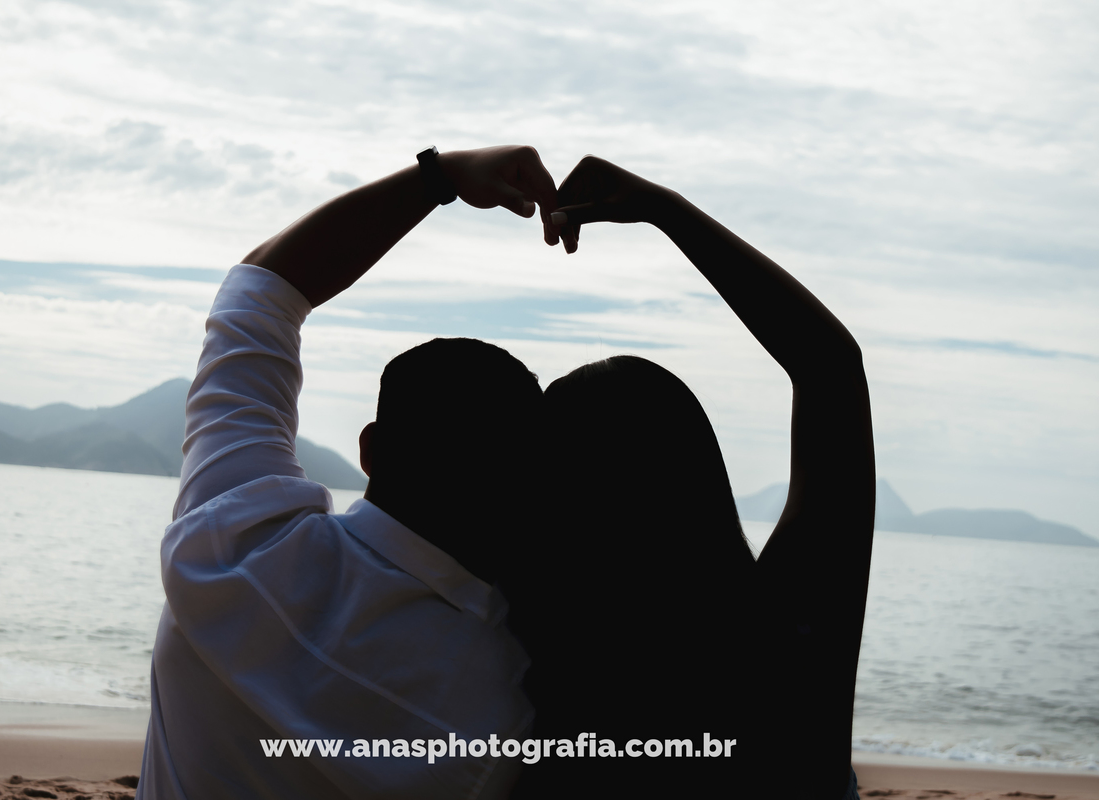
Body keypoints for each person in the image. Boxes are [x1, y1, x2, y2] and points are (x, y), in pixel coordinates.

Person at [135, 145, 564, 800]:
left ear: (369, 450)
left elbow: (261, 294)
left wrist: (441, 176)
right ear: (528, 485)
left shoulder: (233, 547)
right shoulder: (512, 700)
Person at [506, 157, 874, 800]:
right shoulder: (786, 646)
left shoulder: (522, 670)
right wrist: (665, 209)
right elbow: (829, 367)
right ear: (699, 475)